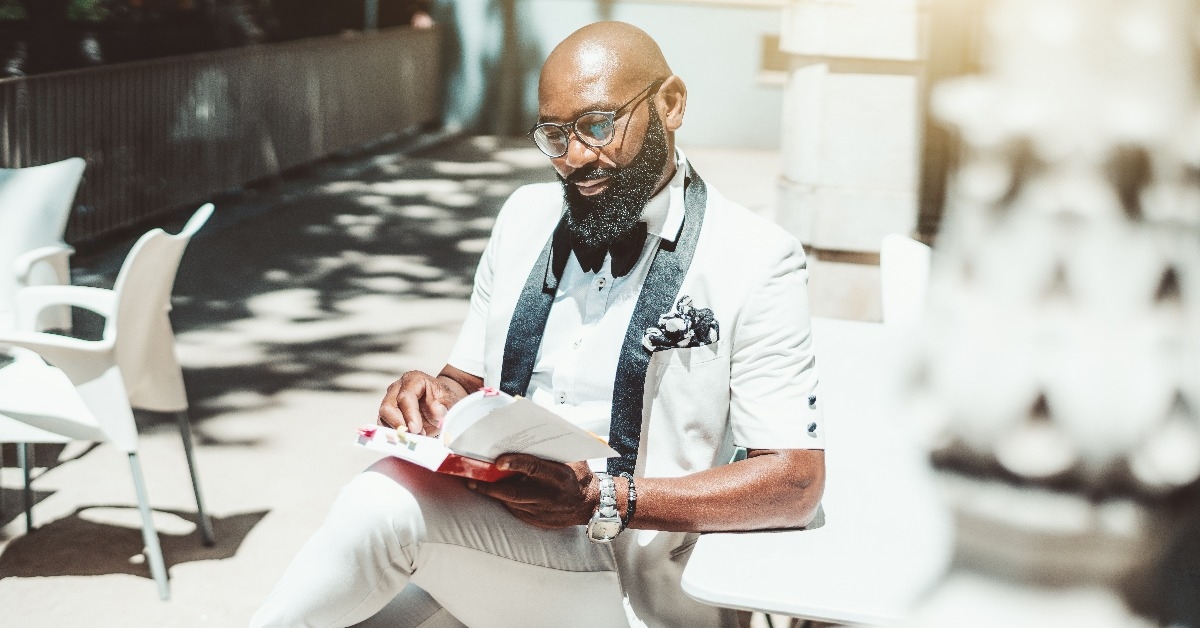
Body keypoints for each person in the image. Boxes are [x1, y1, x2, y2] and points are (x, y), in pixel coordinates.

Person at [251, 21, 825, 628]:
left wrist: (604, 499)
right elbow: (464, 383)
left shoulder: (757, 256)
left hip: (643, 591)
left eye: (598, 125)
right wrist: (430, 399)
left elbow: (796, 481)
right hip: (511, 547)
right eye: (555, 135)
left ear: (671, 103)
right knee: (380, 514)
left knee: (382, 508)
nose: (576, 156)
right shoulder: (524, 215)